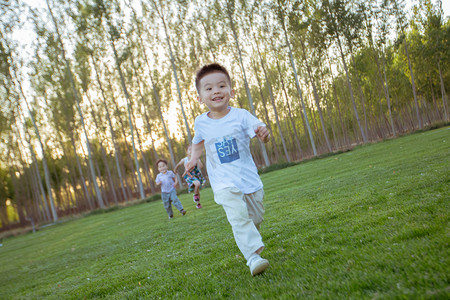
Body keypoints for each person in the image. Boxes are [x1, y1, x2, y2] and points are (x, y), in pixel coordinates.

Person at [184, 63, 271, 276]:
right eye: (209, 88)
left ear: (231, 91)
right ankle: (253, 257)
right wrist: (193, 158)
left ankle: (250, 241)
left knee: (255, 218)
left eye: (221, 86)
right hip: (223, 183)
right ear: (200, 97)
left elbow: (258, 128)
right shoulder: (201, 122)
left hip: (248, 179)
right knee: (238, 216)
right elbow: (197, 142)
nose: (216, 91)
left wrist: (263, 133)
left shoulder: (241, 116)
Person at [174, 145, 206, 209]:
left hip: (196, 175)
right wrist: (175, 169)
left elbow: (201, 166)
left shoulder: (196, 159)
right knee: (197, 184)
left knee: (197, 190)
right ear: (187, 152)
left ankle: (198, 203)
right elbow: (178, 164)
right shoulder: (184, 160)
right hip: (189, 175)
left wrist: (197, 160)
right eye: (190, 150)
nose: (191, 151)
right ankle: (195, 195)